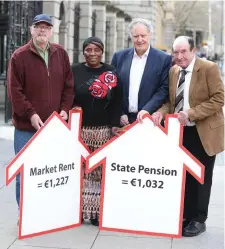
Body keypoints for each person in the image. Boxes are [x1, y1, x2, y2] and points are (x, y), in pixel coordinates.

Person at [152, 36, 224, 237]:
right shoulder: (174, 71)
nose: (179, 56)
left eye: (184, 51)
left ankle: (199, 220)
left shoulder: (208, 68)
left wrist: (191, 113)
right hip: (181, 131)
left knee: (201, 176)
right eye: (176, 52)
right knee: (185, 174)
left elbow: (219, 98)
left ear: (193, 51)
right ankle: (187, 215)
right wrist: (161, 112)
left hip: (204, 131)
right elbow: (173, 102)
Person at [7, 14, 74, 223]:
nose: (42, 31)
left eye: (46, 27)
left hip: (54, 126)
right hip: (27, 126)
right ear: (31, 30)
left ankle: (47, 209)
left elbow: (69, 87)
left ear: (52, 31)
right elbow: (15, 92)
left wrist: (64, 109)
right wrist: (31, 114)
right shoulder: (19, 56)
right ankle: (24, 213)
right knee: (25, 170)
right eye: (38, 27)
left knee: (51, 170)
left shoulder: (61, 54)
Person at [72, 37, 122, 226]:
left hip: (103, 130)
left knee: (99, 172)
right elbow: (68, 94)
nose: (92, 53)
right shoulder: (75, 70)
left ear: (102, 52)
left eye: (96, 50)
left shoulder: (111, 72)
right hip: (81, 130)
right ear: (83, 51)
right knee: (82, 171)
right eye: (88, 50)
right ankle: (79, 210)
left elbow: (117, 101)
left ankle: (95, 213)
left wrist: (114, 124)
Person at [111, 18, 172, 125]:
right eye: (136, 36)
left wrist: (147, 110)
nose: (140, 40)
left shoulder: (164, 59)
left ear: (150, 35)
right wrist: (119, 113)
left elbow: (164, 89)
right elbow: (112, 88)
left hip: (149, 119)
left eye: (143, 36)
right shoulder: (119, 57)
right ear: (131, 37)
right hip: (123, 121)